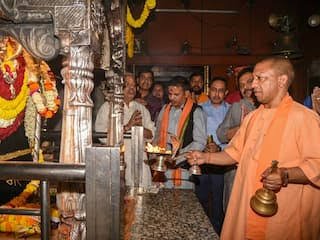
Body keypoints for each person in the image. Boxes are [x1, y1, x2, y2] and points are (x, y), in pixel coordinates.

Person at [187, 57, 320, 240]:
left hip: (282, 216)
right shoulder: (253, 118)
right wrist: (205, 158)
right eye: (253, 79)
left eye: (260, 79)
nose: (252, 86)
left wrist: (285, 174)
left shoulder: (305, 118)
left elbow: (317, 165)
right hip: (247, 208)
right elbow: (235, 153)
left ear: (281, 80)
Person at [95, 73, 155, 189]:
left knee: (142, 200)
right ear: (119, 87)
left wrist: (140, 128)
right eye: (127, 85)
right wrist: (128, 126)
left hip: (140, 162)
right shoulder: (107, 107)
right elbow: (101, 135)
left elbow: (151, 135)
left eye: (133, 85)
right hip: (117, 162)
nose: (131, 89)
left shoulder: (141, 108)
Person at [153, 76, 207, 189]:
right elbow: (158, 135)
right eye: (170, 94)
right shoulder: (165, 109)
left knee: (183, 203)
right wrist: (156, 155)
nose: (172, 98)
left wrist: (178, 158)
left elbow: (200, 142)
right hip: (163, 168)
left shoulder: (196, 111)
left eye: (176, 95)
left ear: (186, 93)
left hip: (184, 170)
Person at [216, 66, 257, 212]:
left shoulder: (269, 108)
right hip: (236, 170)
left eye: (249, 82)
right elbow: (221, 133)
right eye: (241, 85)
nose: (246, 87)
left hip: (259, 172)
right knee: (233, 214)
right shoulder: (237, 107)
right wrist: (240, 129)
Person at [197, 77, 230, 234]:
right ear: (209, 91)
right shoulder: (199, 109)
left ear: (226, 93)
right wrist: (204, 146)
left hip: (221, 163)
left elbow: (236, 139)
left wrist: (220, 147)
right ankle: (198, 232)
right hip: (202, 160)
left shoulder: (231, 110)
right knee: (200, 199)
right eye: (214, 90)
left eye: (221, 90)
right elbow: (194, 133)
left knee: (218, 201)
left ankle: (217, 233)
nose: (217, 94)